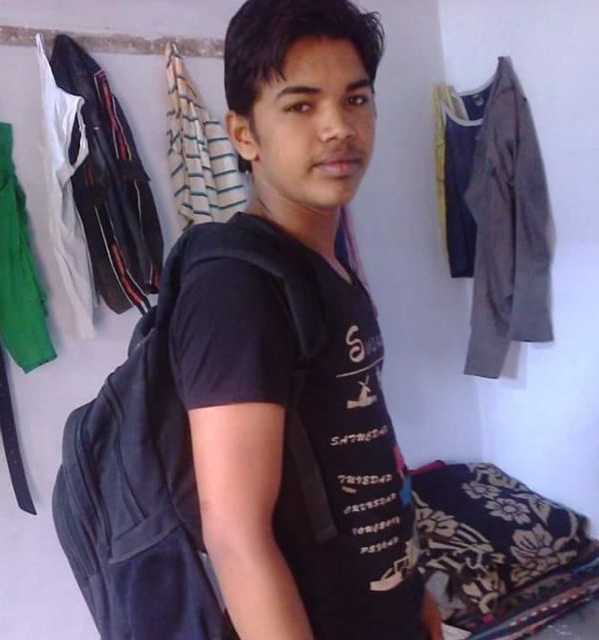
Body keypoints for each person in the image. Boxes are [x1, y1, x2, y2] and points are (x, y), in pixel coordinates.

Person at [171, 0, 444, 638]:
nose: (338, 128)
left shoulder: (327, 264)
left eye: (355, 99)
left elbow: (369, 448)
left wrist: (414, 595)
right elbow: (235, 535)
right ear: (244, 135)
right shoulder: (234, 287)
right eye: (300, 105)